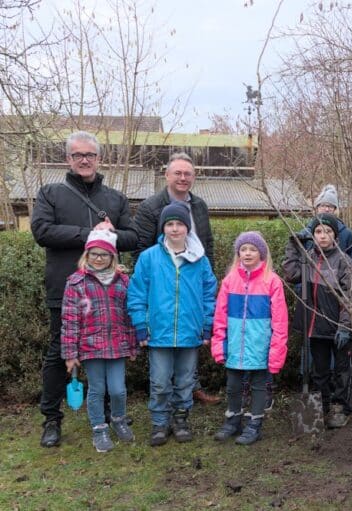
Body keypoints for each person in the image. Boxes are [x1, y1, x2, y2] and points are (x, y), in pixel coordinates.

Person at [31, 130, 137, 448]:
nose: (84, 160)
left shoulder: (115, 199)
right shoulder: (50, 193)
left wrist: (113, 232)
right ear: (68, 159)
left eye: (90, 154)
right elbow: (42, 230)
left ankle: (107, 414)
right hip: (67, 288)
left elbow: (133, 238)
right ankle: (51, 418)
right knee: (58, 353)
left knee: (106, 353)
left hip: (107, 293)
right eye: (78, 155)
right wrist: (89, 234)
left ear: (98, 158)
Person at [132, 151, 220, 405]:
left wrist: (207, 276)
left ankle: (191, 389)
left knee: (189, 345)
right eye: (178, 173)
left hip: (192, 279)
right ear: (167, 175)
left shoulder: (200, 205)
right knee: (163, 356)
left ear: (194, 177)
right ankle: (165, 400)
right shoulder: (151, 206)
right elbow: (140, 249)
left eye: (188, 174)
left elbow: (207, 244)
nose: (183, 178)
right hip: (162, 285)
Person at [127, 202, 217, 446]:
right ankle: (159, 421)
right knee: (159, 380)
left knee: (186, 379)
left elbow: (209, 294)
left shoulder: (200, 260)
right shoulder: (149, 258)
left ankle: (180, 418)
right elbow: (137, 294)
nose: (175, 229)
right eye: (170, 224)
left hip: (190, 331)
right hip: (159, 331)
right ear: (163, 228)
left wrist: (207, 325)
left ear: (187, 228)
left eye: (179, 224)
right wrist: (141, 325)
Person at [60, 230, 137, 452]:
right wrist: (70, 354)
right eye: (94, 254)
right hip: (90, 347)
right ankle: (99, 428)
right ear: (87, 255)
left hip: (117, 346)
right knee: (97, 389)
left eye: (104, 254)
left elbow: (129, 316)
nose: (99, 258)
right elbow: (69, 320)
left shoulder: (123, 282)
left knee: (118, 390)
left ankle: (119, 419)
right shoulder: (76, 283)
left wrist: (132, 345)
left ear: (113, 257)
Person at [211, 232, 288, 444]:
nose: (247, 253)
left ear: (261, 254)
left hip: (260, 345)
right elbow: (220, 316)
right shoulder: (229, 281)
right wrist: (220, 344)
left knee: (259, 385)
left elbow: (280, 321)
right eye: (243, 249)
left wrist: (276, 351)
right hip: (235, 343)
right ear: (238, 253)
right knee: (233, 385)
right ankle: (233, 420)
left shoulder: (272, 281)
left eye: (252, 249)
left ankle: (255, 424)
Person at [283, 213, 352, 428]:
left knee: (342, 370)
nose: (323, 236)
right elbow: (290, 273)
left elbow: (349, 297)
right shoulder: (308, 259)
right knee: (320, 371)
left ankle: (341, 407)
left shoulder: (344, 261)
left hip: (336, 325)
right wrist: (293, 246)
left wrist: (344, 327)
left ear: (335, 235)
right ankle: (322, 406)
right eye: (318, 232)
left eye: (328, 231)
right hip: (314, 325)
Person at [294, 184, 352, 264]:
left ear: (335, 209)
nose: (327, 209)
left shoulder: (346, 234)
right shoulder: (306, 233)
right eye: (323, 205)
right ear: (317, 208)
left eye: (331, 206)